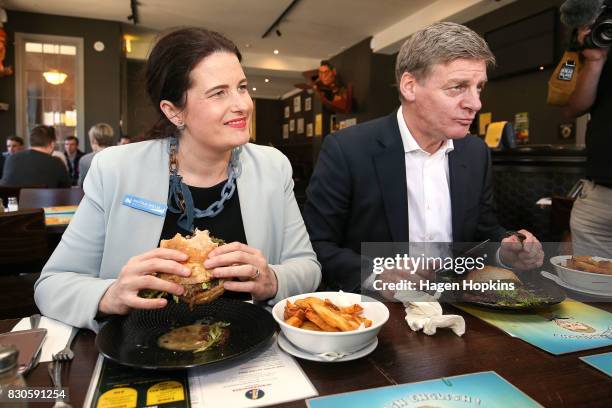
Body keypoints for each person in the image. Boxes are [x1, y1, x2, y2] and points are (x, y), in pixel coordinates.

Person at [34, 27, 321, 330]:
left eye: (242, 87)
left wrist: (271, 279)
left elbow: (307, 267)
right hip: (140, 351)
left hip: (249, 350)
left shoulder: (272, 167)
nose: (243, 104)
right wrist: (109, 295)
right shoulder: (115, 170)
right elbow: (52, 284)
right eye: (219, 92)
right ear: (173, 111)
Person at [303, 22, 543, 292]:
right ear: (410, 86)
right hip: (378, 311)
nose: (475, 103)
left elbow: (483, 233)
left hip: (459, 303)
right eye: (457, 87)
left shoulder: (475, 153)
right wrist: (375, 274)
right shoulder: (347, 149)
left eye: (479, 88)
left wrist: (504, 251)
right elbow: (316, 244)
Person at [560, 26, 612, 258]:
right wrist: (595, 59)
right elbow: (573, 108)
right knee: (587, 284)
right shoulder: (603, 38)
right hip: (598, 193)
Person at [0, 125, 71, 188]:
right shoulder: (56, 163)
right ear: (52, 144)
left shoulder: (11, 159)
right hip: (46, 203)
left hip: (13, 203)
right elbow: (66, 191)